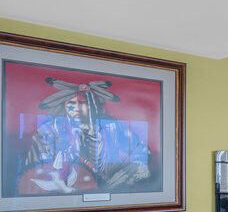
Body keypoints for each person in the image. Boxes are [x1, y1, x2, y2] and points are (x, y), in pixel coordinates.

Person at [17, 78, 151, 195]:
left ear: (94, 106)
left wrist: (130, 171)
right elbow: (33, 169)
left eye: (83, 104)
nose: (77, 109)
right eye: (71, 104)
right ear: (64, 106)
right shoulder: (48, 131)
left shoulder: (113, 127)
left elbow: (141, 150)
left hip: (108, 190)